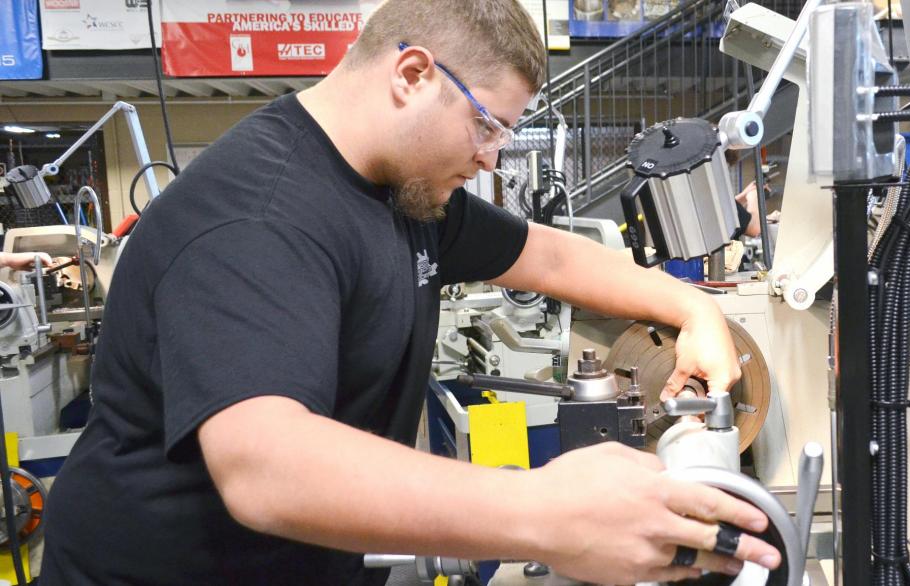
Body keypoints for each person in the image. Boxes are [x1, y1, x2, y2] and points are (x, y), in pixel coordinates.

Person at [38, 1, 782, 584]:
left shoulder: (400, 188)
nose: (490, 156)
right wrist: (547, 511)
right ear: (413, 74)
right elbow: (265, 470)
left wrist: (693, 310)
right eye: (487, 124)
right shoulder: (257, 219)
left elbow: (545, 255)